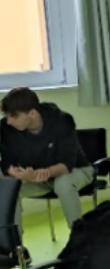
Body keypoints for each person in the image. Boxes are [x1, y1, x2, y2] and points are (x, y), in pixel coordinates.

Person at [0, 87, 93, 232]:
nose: (9, 121)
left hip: (75, 171)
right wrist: (17, 174)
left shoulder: (62, 120)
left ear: (32, 113)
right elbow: (7, 162)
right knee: (7, 187)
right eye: (7, 116)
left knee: (63, 183)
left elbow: (66, 164)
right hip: (37, 179)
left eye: (14, 116)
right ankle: (13, 242)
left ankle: (80, 236)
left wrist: (41, 174)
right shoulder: (6, 128)